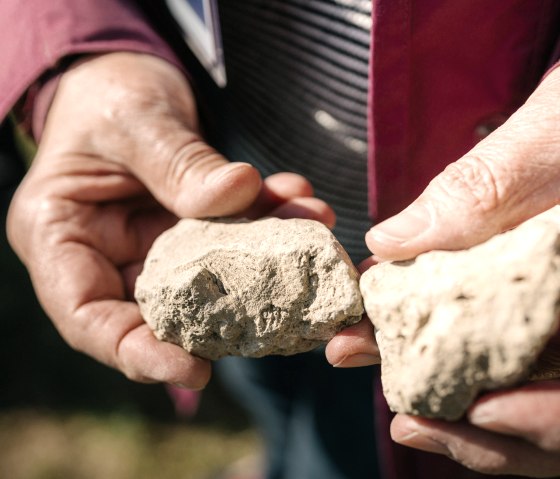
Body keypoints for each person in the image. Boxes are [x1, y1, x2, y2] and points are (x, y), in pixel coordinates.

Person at [2, 1, 560, 478]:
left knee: (352, 449)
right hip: (244, 186)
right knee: (273, 395)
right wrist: (79, 55)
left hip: (449, 279)